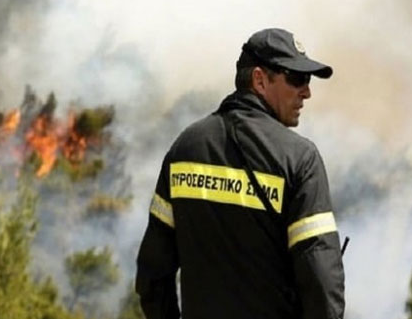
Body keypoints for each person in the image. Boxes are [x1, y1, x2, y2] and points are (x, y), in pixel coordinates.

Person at [135, 28, 345, 319]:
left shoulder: (184, 148)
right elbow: (320, 280)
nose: (306, 91)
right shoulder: (300, 159)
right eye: (296, 78)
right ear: (260, 79)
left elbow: (152, 277)